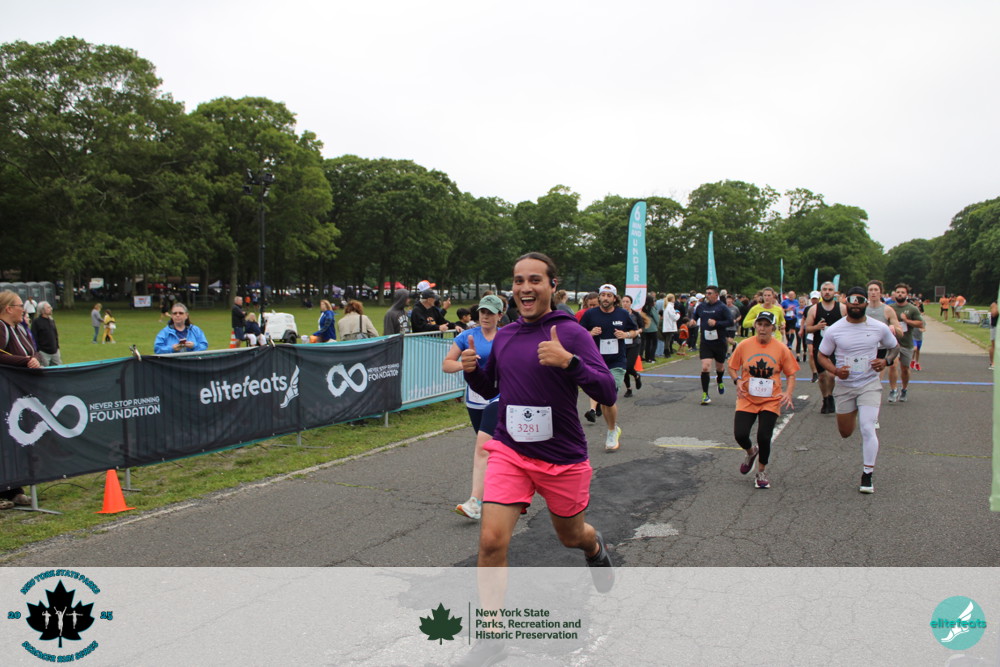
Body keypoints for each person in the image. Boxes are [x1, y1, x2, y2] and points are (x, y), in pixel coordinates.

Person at [461, 251, 615, 590]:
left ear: (552, 285)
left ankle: (594, 546)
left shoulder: (571, 333)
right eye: (519, 281)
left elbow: (608, 391)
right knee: (490, 541)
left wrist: (570, 362)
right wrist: (472, 371)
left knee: (571, 536)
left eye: (535, 280)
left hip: (561, 457)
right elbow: (491, 389)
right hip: (510, 452)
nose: (525, 287)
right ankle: (491, 624)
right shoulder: (506, 335)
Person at [817, 286, 899, 494]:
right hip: (845, 386)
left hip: (869, 384)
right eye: (852, 300)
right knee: (845, 433)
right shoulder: (835, 329)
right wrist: (835, 371)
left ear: (865, 303)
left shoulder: (878, 327)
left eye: (860, 300)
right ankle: (854, 410)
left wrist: (886, 361)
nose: (856, 304)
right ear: (846, 302)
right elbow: (822, 355)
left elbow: (894, 347)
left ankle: (867, 474)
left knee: (867, 428)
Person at [443, 295, 504, 520]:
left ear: (500, 315)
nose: (485, 316)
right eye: (482, 312)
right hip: (476, 397)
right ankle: (499, 485)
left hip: (499, 396)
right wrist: (465, 365)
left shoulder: (506, 337)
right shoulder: (466, 336)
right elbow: (446, 364)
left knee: (483, 447)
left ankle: (475, 502)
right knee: (488, 447)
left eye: (490, 313)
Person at [728, 311, 799, 489]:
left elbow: (791, 373)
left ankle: (761, 471)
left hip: (770, 399)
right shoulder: (744, 345)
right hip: (747, 398)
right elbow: (732, 367)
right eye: (760, 324)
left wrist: (788, 393)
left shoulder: (781, 348)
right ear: (755, 326)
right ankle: (751, 452)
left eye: (767, 325)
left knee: (764, 436)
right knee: (740, 434)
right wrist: (737, 381)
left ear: (773, 328)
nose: (762, 328)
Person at [579, 284, 638, 450]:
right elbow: (579, 333)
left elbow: (635, 331)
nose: (605, 298)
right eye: (603, 295)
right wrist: (590, 333)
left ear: (614, 298)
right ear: (599, 297)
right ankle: (613, 428)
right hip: (596, 361)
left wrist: (625, 334)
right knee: (604, 398)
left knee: (609, 396)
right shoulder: (590, 314)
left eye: (609, 295)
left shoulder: (622, 314)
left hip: (617, 362)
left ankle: (611, 431)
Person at [0, 290, 37, 510]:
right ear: (8, 308)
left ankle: (14, 489)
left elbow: (32, 352)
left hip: (18, 395)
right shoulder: (1, 328)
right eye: (20, 305)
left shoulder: (19, 328)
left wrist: (34, 360)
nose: (24, 309)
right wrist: (25, 361)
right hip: (4, 393)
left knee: (15, 441)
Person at [804, 282, 846, 413]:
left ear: (835, 292)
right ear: (821, 292)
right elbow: (807, 328)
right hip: (820, 345)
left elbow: (849, 325)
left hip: (836, 347)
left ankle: (831, 396)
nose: (827, 292)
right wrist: (817, 327)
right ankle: (825, 398)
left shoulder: (842, 308)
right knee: (822, 376)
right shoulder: (814, 309)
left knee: (832, 375)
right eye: (825, 289)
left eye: (830, 290)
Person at [692, 286, 734, 405]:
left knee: (720, 367)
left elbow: (730, 321)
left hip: (719, 342)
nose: (707, 295)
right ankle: (705, 394)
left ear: (716, 295)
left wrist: (717, 323)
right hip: (706, 342)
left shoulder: (722, 307)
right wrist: (693, 321)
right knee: (705, 367)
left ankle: (719, 379)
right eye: (706, 293)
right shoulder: (701, 306)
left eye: (710, 293)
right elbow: (695, 316)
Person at [887, 283, 924, 404]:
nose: (900, 294)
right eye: (898, 292)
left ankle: (904, 389)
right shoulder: (890, 308)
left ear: (907, 295)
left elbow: (920, 323)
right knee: (893, 365)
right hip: (893, 343)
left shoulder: (912, 309)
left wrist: (906, 320)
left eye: (902, 292)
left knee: (905, 368)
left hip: (906, 343)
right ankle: (893, 390)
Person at [620, 294, 643, 398]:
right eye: (623, 301)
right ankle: (629, 389)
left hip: (634, 343)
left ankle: (636, 375)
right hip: (622, 343)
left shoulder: (635, 314)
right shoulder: (618, 314)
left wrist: (636, 332)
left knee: (629, 366)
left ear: (631, 303)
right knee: (623, 368)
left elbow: (642, 327)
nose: (625, 303)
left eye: (627, 302)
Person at [30, 301, 61, 366]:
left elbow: (55, 334)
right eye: (48, 307)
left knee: (59, 368)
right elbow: (34, 337)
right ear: (42, 310)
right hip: (43, 352)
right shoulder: (36, 322)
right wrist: (38, 350)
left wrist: (57, 346)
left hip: (55, 351)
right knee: (45, 369)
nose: (51, 309)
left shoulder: (51, 320)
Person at [641, 294, 659, 363]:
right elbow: (656, 318)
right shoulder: (651, 308)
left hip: (646, 328)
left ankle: (647, 357)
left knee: (647, 343)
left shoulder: (643, 308)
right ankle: (652, 357)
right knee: (654, 344)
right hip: (653, 328)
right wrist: (657, 324)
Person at [661, 293, 679, 357]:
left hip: (667, 325)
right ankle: (667, 353)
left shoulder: (666, 306)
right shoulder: (670, 307)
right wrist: (678, 314)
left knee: (667, 340)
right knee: (668, 340)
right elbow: (674, 317)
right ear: (672, 299)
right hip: (669, 326)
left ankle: (667, 352)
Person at [989, 300, 998, 371]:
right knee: (994, 345)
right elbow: (994, 314)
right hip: (995, 327)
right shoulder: (995, 304)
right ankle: (992, 363)